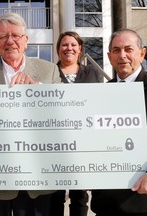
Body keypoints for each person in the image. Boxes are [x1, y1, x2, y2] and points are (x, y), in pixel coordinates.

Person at [0, 12, 61, 216]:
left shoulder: (49, 71)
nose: (10, 41)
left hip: (38, 183)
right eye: (2, 37)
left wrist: (38, 89)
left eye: (16, 35)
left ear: (26, 40)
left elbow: (64, 115)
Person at [91, 29, 147, 216]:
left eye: (128, 49)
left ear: (142, 53)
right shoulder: (100, 94)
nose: (122, 55)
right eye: (116, 50)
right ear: (109, 56)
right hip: (105, 203)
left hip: (142, 202)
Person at [50, 31, 103, 216]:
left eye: (73, 44)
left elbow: (98, 105)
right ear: (58, 50)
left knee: (80, 196)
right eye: (64, 45)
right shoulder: (50, 73)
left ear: (80, 49)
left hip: (83, 144)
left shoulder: (92, 73)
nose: (69, 48)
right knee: (54, 195)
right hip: (55, 144)